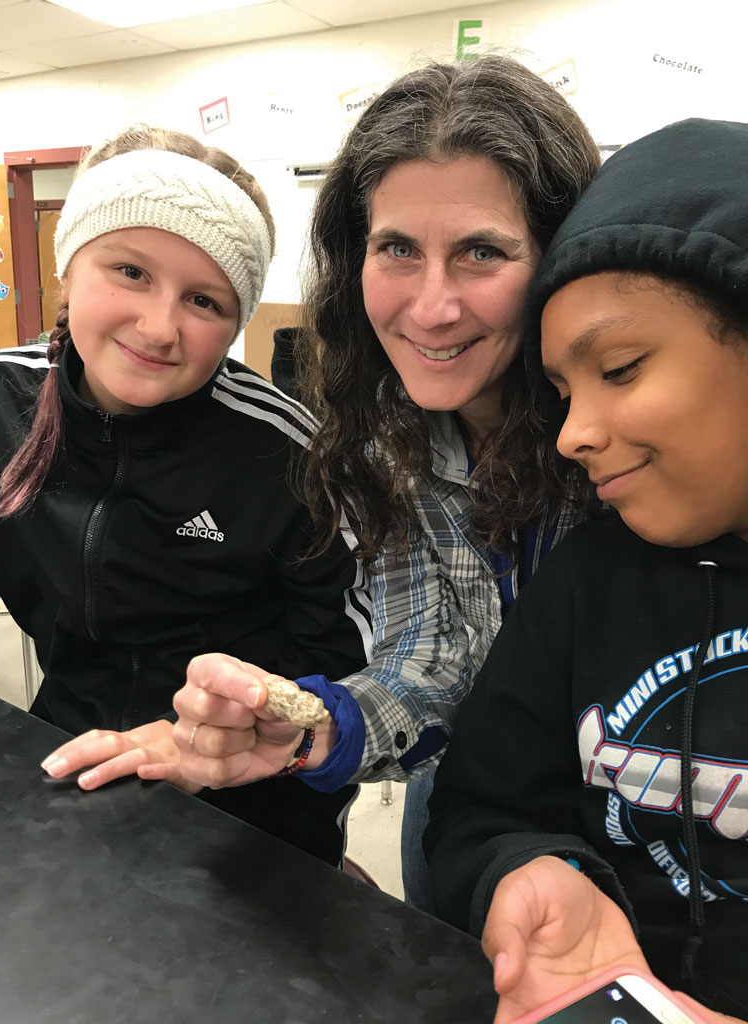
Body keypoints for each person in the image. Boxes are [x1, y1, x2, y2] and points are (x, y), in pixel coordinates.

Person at [140, 56, 600, 906]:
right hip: (474, 821)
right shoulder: (382, 431)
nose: (430, 307)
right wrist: (313, 723)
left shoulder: (621, 435)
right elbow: (432, 658)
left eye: (481, 253)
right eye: (397, 248)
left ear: (560, 256)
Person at [424, 118, 748, 1021]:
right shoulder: (590, 577)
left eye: (621, 367)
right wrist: (533, 870)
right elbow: (478, 809)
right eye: (565, 394)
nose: (573, 434)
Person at [0, 125, 371, 866]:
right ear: (69, 267)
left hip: (250, 796)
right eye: (129, 271)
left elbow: (352, 668)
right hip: (72, 760)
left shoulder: (293, 453)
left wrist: (229, 733)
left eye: (203, 299)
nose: (159, 328)